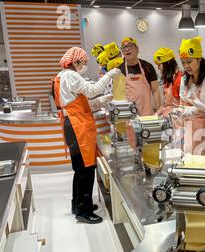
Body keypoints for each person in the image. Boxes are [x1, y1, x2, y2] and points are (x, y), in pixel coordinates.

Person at [53, 47, 121, 224]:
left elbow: (80, 104)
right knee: (86, 169)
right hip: (78, 128)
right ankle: (84, 212)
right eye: (84, 63)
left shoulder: (62, 76)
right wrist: (110, 75)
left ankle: (79, 204)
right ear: (75, 62)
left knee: (79, 170)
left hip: (73, 125)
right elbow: (91, 90)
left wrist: (102, 101)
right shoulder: (71, 75)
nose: (84, 67)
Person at [120, 37, 161, 115]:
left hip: (147, 114)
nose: (127, 49)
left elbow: (155, 90)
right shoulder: (119, 70)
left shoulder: (148, 67)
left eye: (130, 46)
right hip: (129, 115)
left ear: (137, 49)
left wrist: (159, 112)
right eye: (124, 47)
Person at [152, 47, 182, 117]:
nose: (158, 68)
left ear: (168, 63)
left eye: (159, 65)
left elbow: (183, 107)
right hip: (167, 116)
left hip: (176, 119)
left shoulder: (180, 79)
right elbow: (165, 104)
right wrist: (155, 115)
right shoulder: (167, 81)